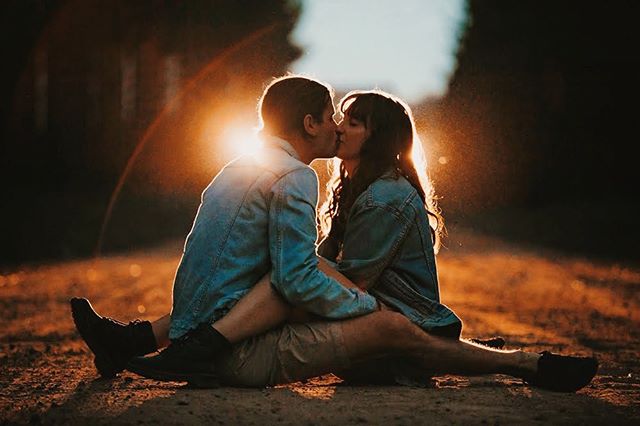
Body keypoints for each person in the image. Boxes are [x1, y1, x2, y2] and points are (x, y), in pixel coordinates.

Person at [73, 85, 598, 392]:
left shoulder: (386, 197)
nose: (340, 127)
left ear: (380, 137)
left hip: (393, 311)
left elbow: (341, 281)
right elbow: (314, 276)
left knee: (291, 275)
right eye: (336, 118)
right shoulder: (338, 187)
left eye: (352, 122)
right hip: (359, 307)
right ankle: (148, 341)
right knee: (286, 270)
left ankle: (522, 364)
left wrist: (326, 290)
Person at [71, 75, 380, 384]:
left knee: (299, 265)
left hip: (196, 312)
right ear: (310, 124)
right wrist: (367, 306)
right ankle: (193, 353)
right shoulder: (295, 174)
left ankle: (129, 342)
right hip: (226, 325)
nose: (337, 127)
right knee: (294, 273)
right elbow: (295, 278)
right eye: (331, 118)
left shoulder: (238, 166)